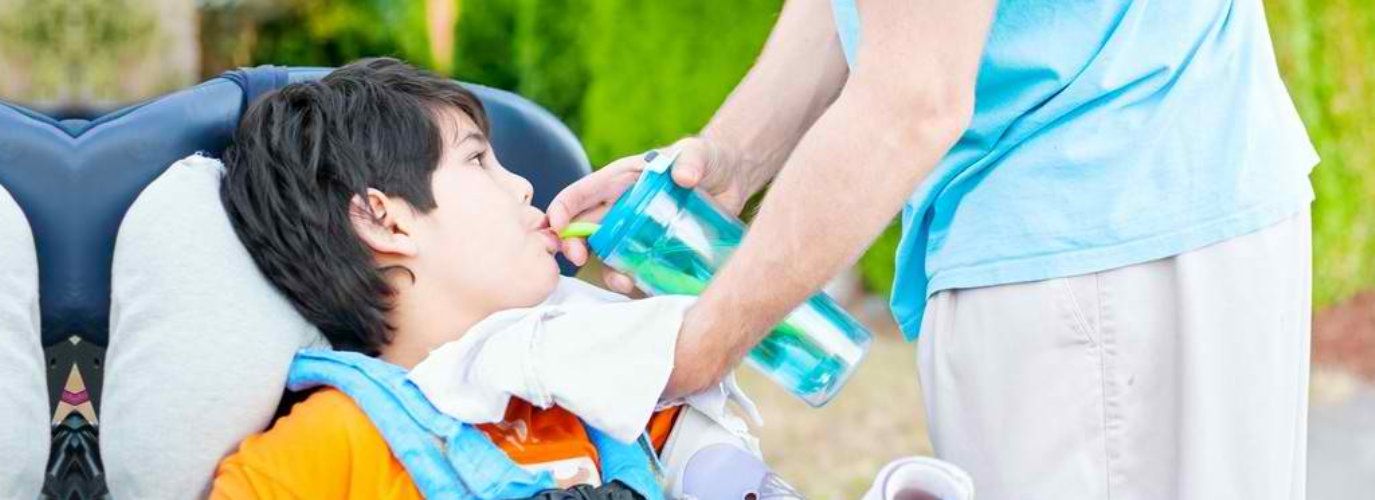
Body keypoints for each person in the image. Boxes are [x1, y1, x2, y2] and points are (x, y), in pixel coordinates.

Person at [550, 1, 1316, 498]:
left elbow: (910, 102)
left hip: (1096, 240)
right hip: (1132, 201)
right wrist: (727, 163)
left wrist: (693, 349)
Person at [210, 58, 742, 500]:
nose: (525, 186)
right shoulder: (337, 443)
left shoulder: (586, 397)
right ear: (384, 219)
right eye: (478, 160)